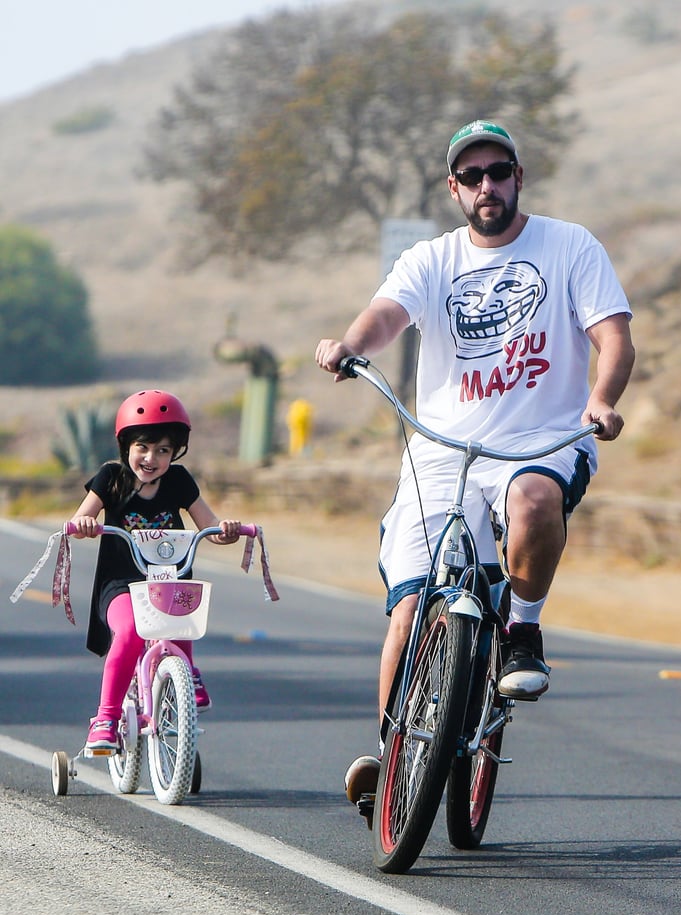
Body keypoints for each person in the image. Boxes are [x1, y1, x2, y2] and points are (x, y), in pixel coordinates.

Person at [315, 119, 635, 804]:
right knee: (408, 611)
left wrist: (601, 401)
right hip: (441, 451)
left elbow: (612, 337)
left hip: (542, 438)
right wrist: (348, 344)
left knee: (533, 502)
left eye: (498, 172)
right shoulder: (432, 260)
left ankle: (522, 627)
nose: (486, 186)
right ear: (453, 189)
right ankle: (391, 751)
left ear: (518, 177)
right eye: (471, 177)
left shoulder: (569, 246)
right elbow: (384, 315)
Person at [69, 389, 242, 752]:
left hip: (168, 579)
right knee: (130, 633)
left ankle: (186, 673)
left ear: (175, 453)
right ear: (126, 445)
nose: (152, 458)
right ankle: (106, 717)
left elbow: (208, 526)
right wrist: (84, 523)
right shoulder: (110, 478)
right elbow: (81, 516)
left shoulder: (178, 481)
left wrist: (225, 531)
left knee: (182, 613)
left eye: (163, 450)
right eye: (143, 447)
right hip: (121, 585)